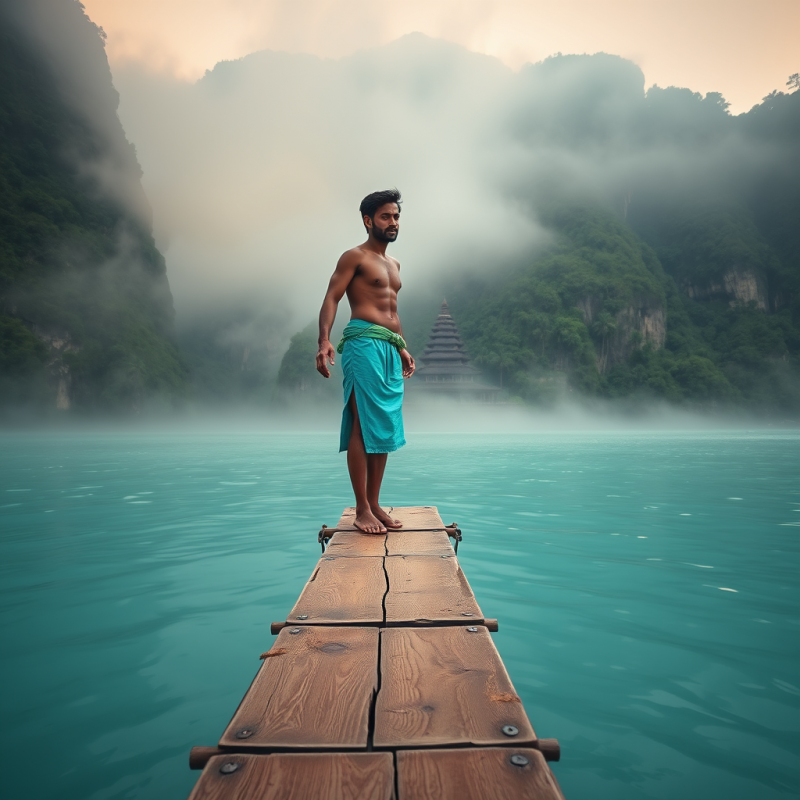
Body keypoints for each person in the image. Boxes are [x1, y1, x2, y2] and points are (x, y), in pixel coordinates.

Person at [315, 189, 415, 534]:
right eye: (386, 216)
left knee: (383, 424)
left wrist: (401, 345)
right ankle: (361, 510)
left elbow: (392, 311)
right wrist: (324, 340)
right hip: (362, 344)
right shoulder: (354, 257)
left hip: (388, 347)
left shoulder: (395, 264)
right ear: (368, 220)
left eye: (396, 216)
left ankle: (374, 504)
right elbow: (332, 297)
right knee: (361, 422)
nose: (393, 222)